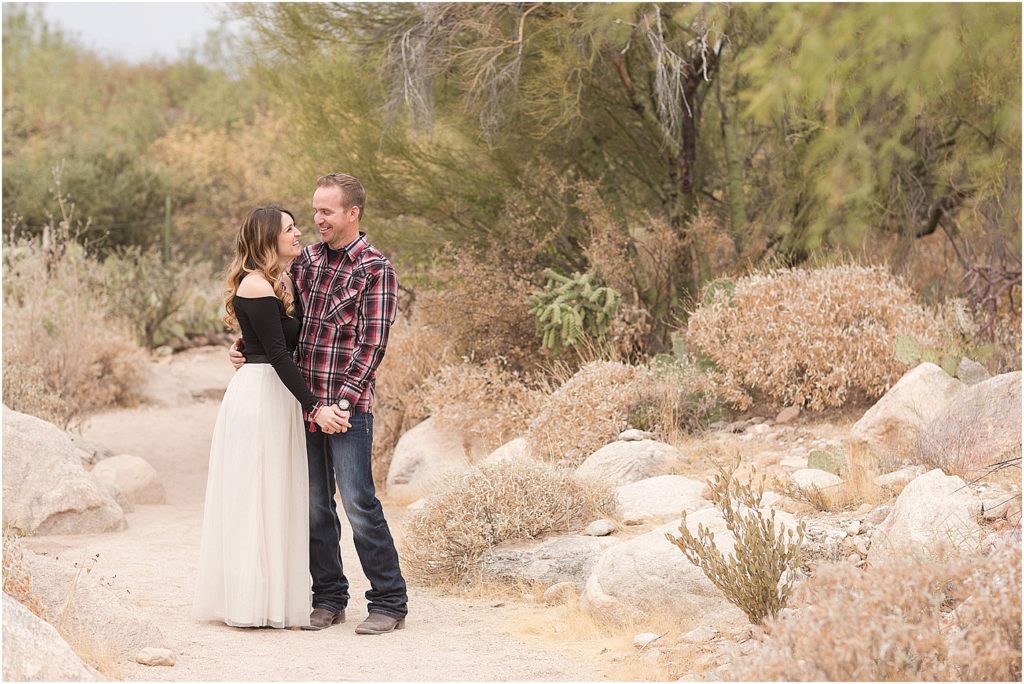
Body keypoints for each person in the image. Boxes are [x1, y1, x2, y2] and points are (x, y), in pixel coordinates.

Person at [230, 174, 409, 635]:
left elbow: (371, 347)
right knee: (312, 504)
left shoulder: (375, 269)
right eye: (314, 211)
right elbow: (278, 322)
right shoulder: (304, 262)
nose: (317, 220)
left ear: (353, 213)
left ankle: (389, 601)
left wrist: (342, 405)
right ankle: (329, 597)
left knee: (358, 502)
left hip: (346, 407)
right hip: (301, 405)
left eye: (327, 212)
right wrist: (243, 345)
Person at [194, 206, 346, 629]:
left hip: (271, 391)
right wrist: (314, 405)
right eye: (290, 228)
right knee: (257, 492)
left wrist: (244, 345)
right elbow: (278, 352)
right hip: (261, 395)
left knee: (273, 493)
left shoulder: (273, 282)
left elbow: (261, 339)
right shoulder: (257, 285)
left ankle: (271, 597)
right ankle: (252, 602)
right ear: (267, 239)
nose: (298, 233)